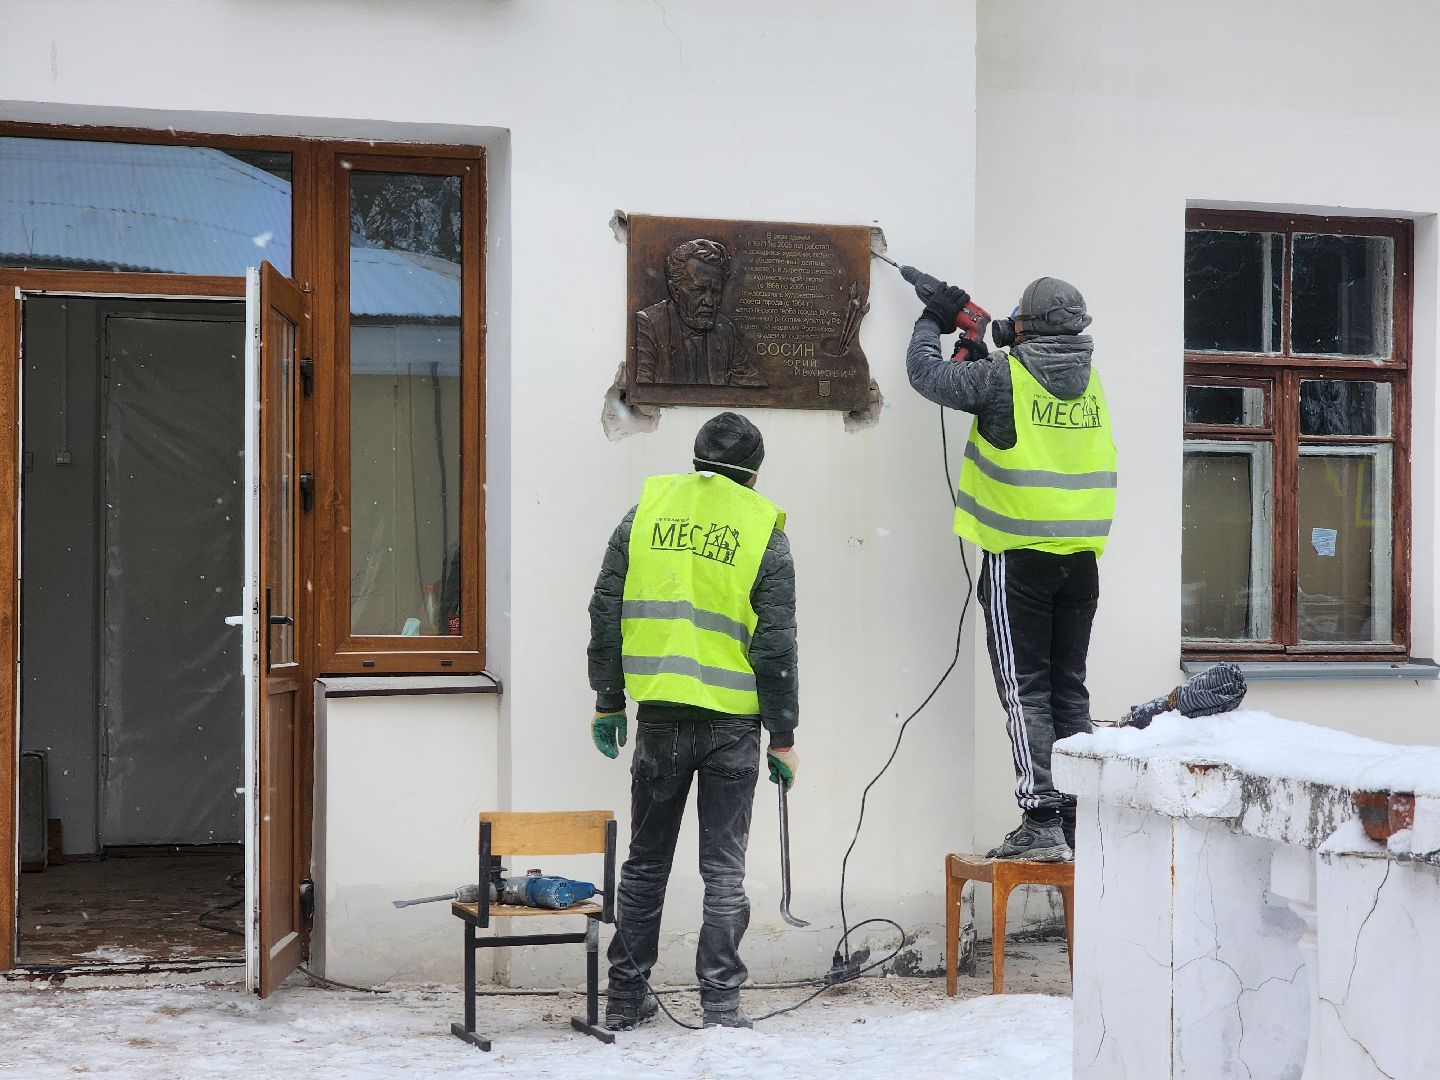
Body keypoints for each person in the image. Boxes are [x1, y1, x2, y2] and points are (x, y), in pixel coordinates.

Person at [587, 412, 798, 1030]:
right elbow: (776, 642)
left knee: (645, 864)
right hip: (734, 724)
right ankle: (721, 1002)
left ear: (698, 458)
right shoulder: (763, 528)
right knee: (723, 870)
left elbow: (606, 608)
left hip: (660, 718)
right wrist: (783, 738)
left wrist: (608, 699)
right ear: (754, 472)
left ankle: (625, 998)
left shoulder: (646, 512)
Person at [905, 277, 1116, 862]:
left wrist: (933, 322)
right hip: (1079, 561)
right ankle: (1077, 812)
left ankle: (1041, 817)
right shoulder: (1088, 382)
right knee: (1067, 689)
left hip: (1018, 557)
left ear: (1031, 322)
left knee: (1025, 691)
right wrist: (979, 341)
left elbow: (926, 375)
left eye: (1019, 312)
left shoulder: (1006, 377)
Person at [634, 239, 766, 387]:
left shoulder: (725, 330)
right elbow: (643, 389)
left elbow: (753, 388)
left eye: (716, 292)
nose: (709, 302)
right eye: (698, 290)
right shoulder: (650, 326)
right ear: (675, 291)